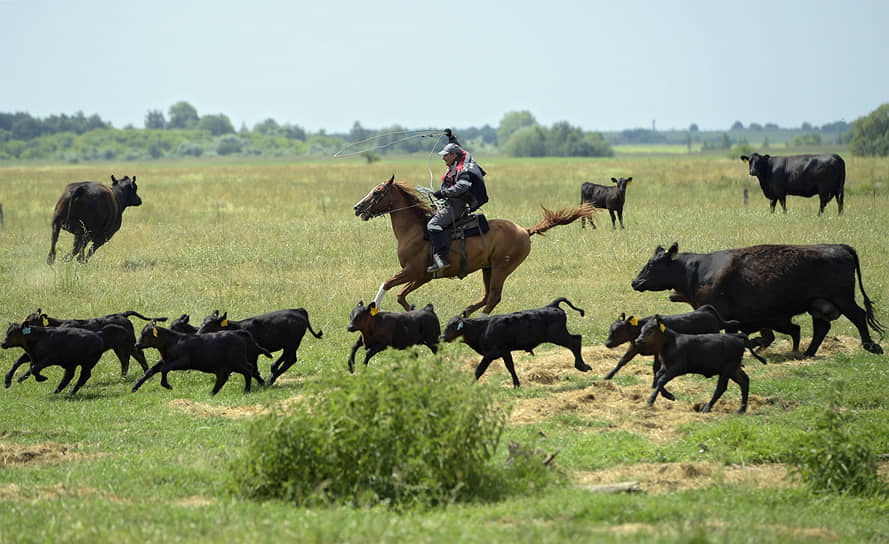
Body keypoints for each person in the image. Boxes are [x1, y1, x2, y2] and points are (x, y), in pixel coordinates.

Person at [426, 129, 488, 273]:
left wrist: (443, 193)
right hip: (451, 201)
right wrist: (451, 137)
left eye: (446, 156)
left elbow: (462, 186)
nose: (443, 159)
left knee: (433, 225)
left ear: (454, 156)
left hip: (457, 204)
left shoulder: (462, 169)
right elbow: (457, 146)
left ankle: (441, 259)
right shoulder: (460, 155)